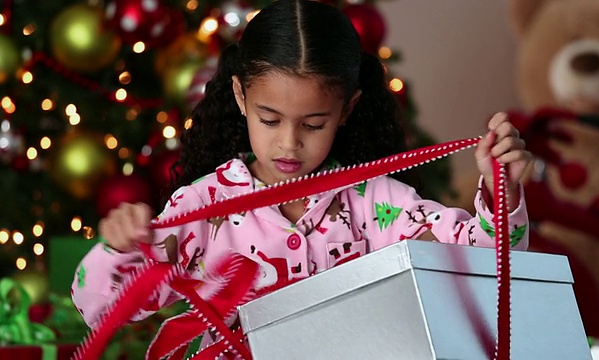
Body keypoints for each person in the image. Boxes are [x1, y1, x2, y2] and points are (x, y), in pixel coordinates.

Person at [72, 0, 531, 349]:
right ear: (240, 98)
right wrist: (118, 249)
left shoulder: (377, 202)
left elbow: (485, 267)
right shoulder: (202, 208)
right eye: (269, 120)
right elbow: (101, 309)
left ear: (347, 110)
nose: (289, 144)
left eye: (313, 125)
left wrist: (500, 189)